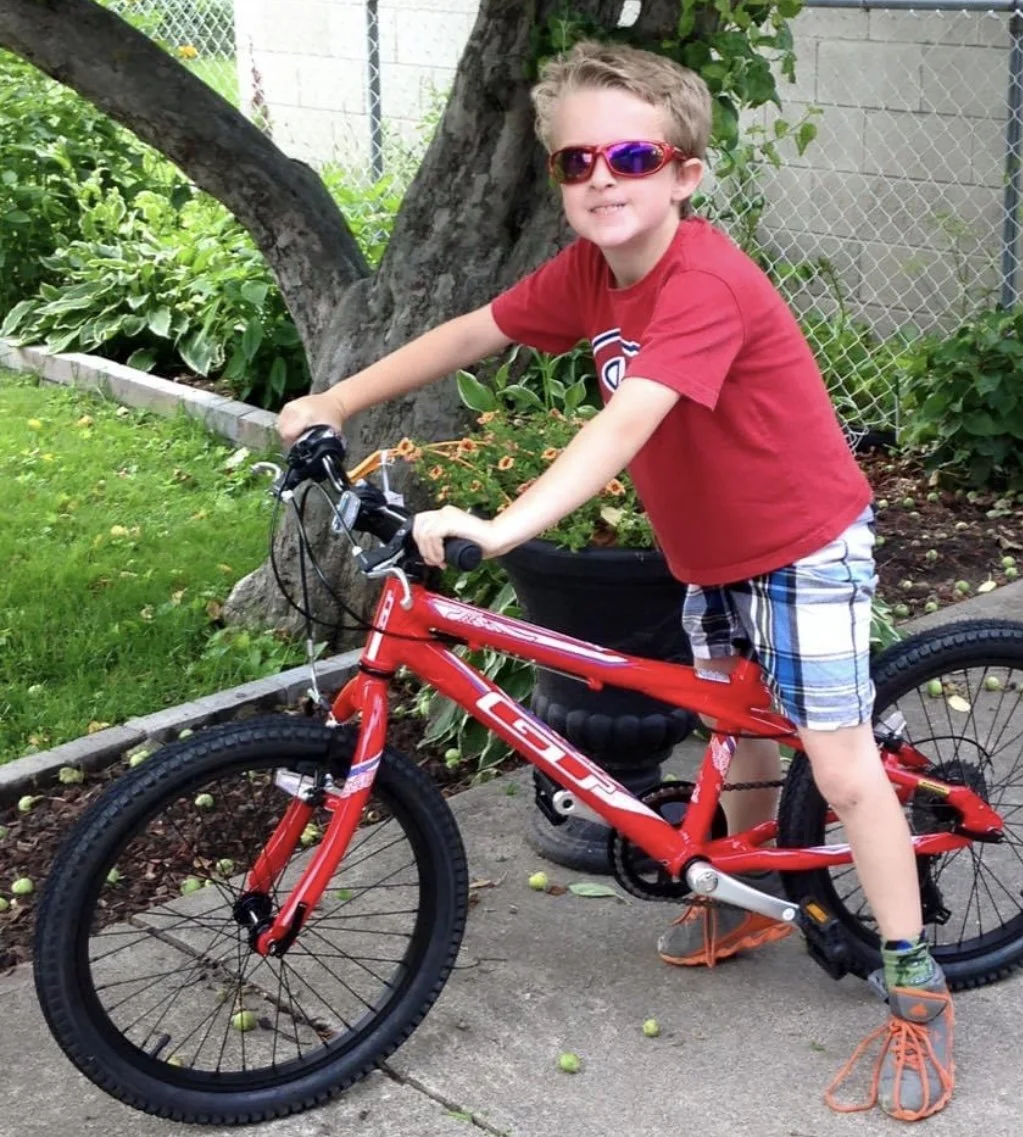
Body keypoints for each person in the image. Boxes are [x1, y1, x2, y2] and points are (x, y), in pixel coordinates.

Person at [277, 40, 954, 1121]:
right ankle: (744, 900)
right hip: (710, 550)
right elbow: (471, 331)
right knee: (740, 719)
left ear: (685, 172)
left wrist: (500, 526)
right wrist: (336, 401)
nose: (601, 177)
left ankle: (914, 969)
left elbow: (625, 421)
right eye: (575, 160)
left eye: (631, 155)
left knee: (836, 763)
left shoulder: (705, 283)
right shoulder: (593, 274)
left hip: (801, 543)